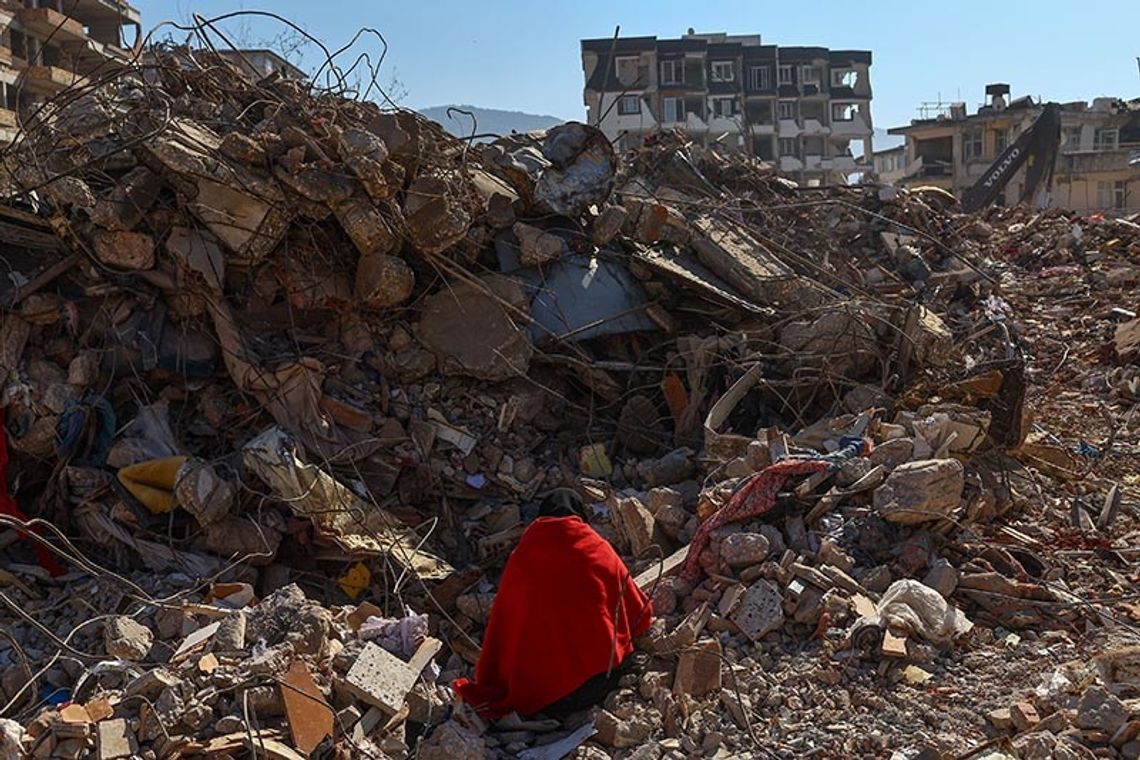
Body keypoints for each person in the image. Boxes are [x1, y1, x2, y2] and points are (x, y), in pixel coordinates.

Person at [453, 489, 652, 720]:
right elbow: (640, 614)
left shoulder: (523, 556)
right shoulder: (596, 548)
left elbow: (504, 626)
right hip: (596, 685)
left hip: (538, 700)